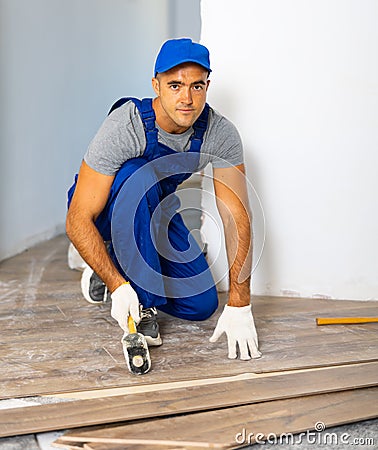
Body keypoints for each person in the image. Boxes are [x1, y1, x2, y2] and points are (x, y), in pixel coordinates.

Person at [66, 38, 261, 361]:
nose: (187, 98)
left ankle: (112, 263)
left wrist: (241, 303)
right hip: (106, 212)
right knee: (139, 176)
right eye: (175, 85)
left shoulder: (220, 134)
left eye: (197, 86)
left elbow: (234, 216)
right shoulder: (126, 126)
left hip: (156, 210)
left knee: (200, 304)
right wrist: (120, 287)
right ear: (156, 85)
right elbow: (77, 218)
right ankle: (140, 302)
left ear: (207, 87)